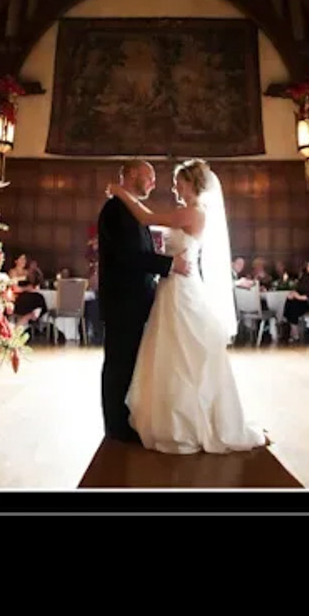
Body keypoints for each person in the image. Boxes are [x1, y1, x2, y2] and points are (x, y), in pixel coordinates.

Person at [106, 159, 268, 454]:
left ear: (192, 183)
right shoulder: (187, 211)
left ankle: (189, 422)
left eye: (178, 182)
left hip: (182, 289)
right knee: (168, 351)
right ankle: (166, 418)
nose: (173, 187)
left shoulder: (194, 212)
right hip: (170, 287)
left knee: (184, 351)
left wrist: (120, 191)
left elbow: (146, 217)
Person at [95, 160, 192, 442]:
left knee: (129, 363)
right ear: (133, 174)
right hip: (123, 301)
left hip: (134, 300)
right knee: (118, 364)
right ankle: (115, 427)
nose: (153, 183)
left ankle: (127, 420)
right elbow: (127, 256)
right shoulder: (116, 209)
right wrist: (170, 264)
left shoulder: (130, 209)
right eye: (149, 177)